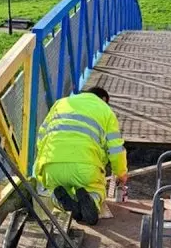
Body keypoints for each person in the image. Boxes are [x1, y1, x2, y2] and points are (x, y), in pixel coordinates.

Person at [35, 87, 128, 226]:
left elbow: (41, 138)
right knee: (96, 189)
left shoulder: (60, 104)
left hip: (52, 165)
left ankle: (63, 202)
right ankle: (92, 201)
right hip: (85, 168)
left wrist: (40, 171)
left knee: (54, 189)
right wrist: (121, 173)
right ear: (103, 100)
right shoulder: (106, 111)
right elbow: (116, 149)